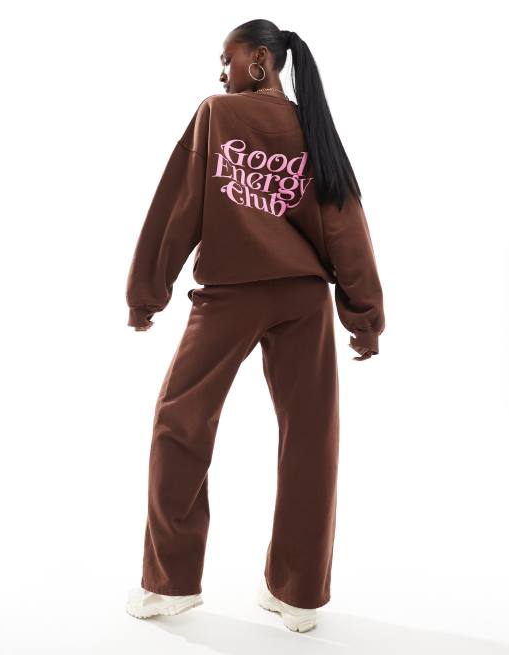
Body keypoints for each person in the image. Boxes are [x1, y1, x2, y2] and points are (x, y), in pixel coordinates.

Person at [125, 19, 385, 633]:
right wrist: (364, 316)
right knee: (310, 439)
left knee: (180, 424)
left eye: (229, 58)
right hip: (304, 300)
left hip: (229, 296)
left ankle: (170, 584)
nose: (222, 72)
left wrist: (147, 292)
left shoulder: (217, 114)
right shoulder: (313, 126)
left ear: (261, 60)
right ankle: (299, 595)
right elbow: (346, 224)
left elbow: (178, 206)